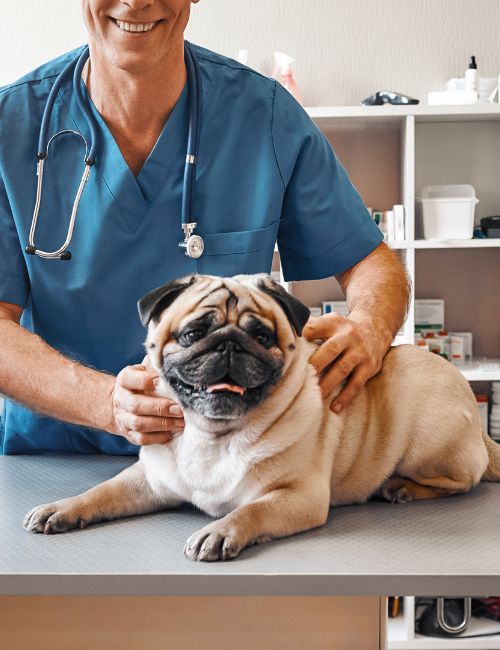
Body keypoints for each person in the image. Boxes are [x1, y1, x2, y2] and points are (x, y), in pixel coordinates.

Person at [0, 0, 409, 454]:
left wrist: (370, 328)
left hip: (226, 462)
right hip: (57, 461)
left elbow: (371, 262)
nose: (137, 2)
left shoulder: (265, 117)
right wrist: (106, 403)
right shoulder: (11, 124)